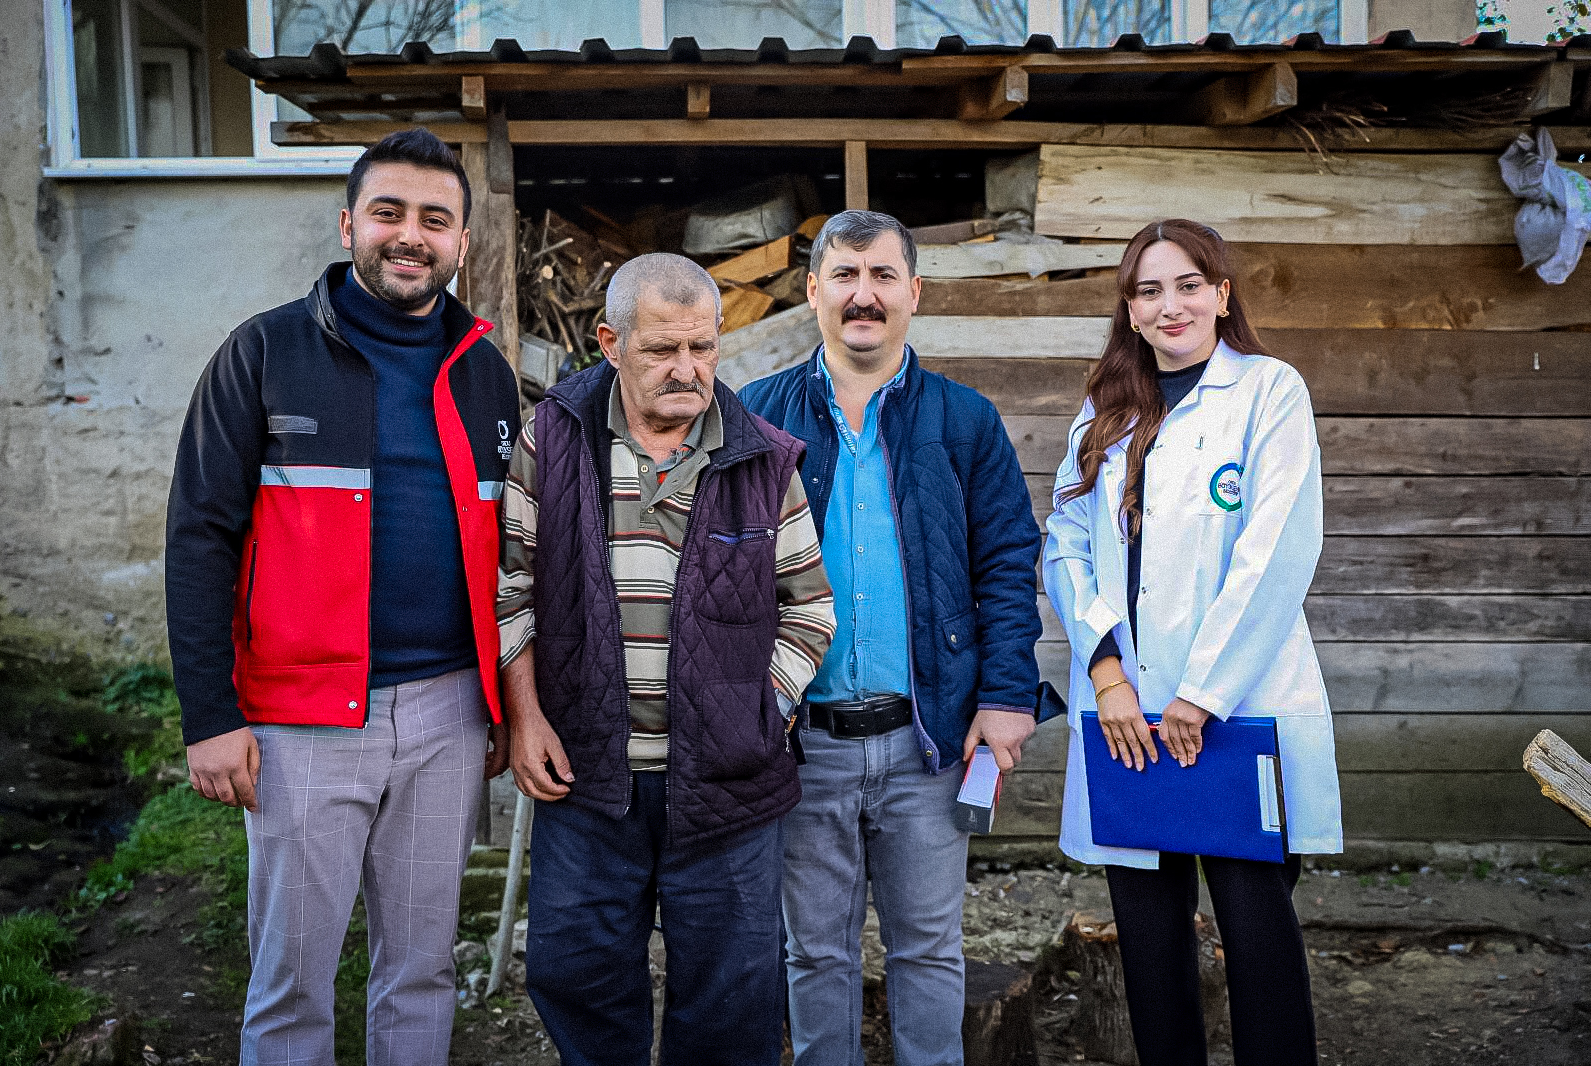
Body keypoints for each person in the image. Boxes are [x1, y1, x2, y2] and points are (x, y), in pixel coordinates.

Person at [164, 128, 519, 1065]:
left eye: (435, 220)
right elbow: (198, 538)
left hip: (448, 714)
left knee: (422, 971)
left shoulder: (485, 371)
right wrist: (210, 717)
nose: (411, 236)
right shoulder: (265, 352)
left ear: (462, 242)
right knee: (291, 984)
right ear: (348, 223)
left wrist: (503, 705)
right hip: (301, 720)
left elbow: (512, 557)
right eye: (389, 212)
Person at [497, 252, 836, 1066]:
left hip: (727, 784)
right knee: (578, 978)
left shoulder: (763, 458)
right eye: (662, 350)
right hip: (585, 776)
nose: (687, 369)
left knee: (730, 1004)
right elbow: (511, 589)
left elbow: (810, 609)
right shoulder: (554, 438)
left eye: (702, 347)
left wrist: (761, 711)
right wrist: (526, 718)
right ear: (611, 343)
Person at [741, 210, 1044, 1066]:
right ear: (813, 292)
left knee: (929, 952)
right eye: (845, 276)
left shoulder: (964, 420)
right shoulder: (757, 417)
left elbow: (1007, 561)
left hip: (929, 742)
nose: (863, 295)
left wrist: (1006, 693)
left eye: (882, 276)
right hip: (803, 744)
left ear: (915, 292)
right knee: (815, 954)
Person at [1044, 219, 1343, 1066]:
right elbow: (1065, 544)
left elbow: (1276, 551)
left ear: (1221, 293)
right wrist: (1108, 675)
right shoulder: (1105, 410)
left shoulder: (1268, 392)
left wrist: (1201, 694)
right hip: (1128, 718)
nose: (1168, 305)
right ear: (1130, 310)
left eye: (1187, 285)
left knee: (1258, 937)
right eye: (1148, 291)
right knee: (1149, 946)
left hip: (1235, 710)